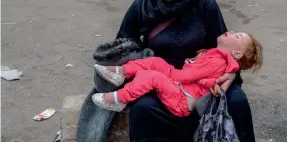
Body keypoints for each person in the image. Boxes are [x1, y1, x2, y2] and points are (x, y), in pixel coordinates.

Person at [111, 0, 257, 142]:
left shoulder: (205, 5)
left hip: (204, 79)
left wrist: (231, 72)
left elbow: (226, 46)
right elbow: (122, 49)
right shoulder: (142, 7)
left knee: (237, 101)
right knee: (144, 109)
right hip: (160, 80)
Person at [92, 31, 263, 117]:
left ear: (237, 54)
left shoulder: (219, 60)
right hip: (180, 84)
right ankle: (120, 73)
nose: (231, 32)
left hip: (182, 99)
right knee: (155, 62)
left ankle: (118, 99)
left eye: (237, 37)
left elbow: (186, 76)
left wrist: (170, 75)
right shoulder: (216, 56)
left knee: (152, 76)